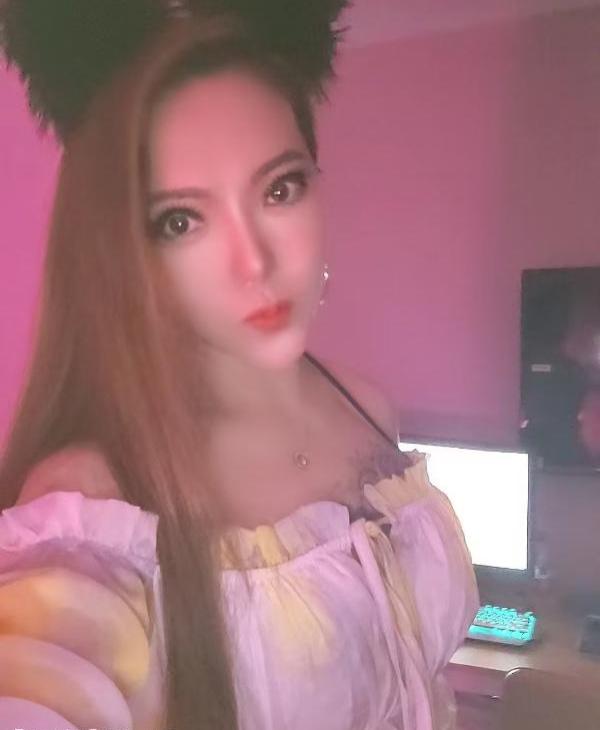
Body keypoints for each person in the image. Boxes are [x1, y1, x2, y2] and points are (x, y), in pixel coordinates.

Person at [0, 1, 479, 729]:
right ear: (123, 254)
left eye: (279, 189)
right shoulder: (93, 504)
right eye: (181, 221)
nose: (253, 261)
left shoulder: (366, 407)